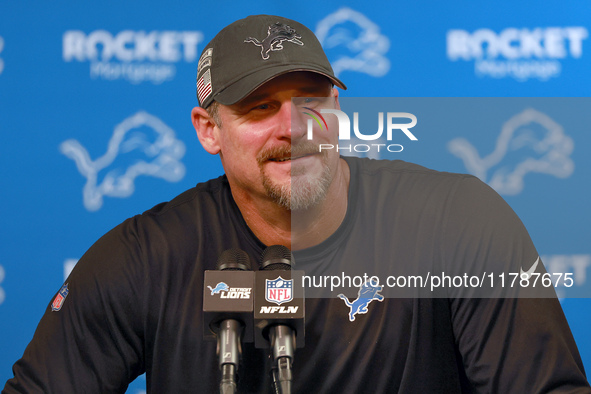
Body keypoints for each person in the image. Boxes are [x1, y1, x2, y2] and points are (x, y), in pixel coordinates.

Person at [3, 14, 590, 394]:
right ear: (209, 131)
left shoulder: (457, 222)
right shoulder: (143, 257)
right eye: (259, 108)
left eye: (310, 100)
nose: (295, 127)